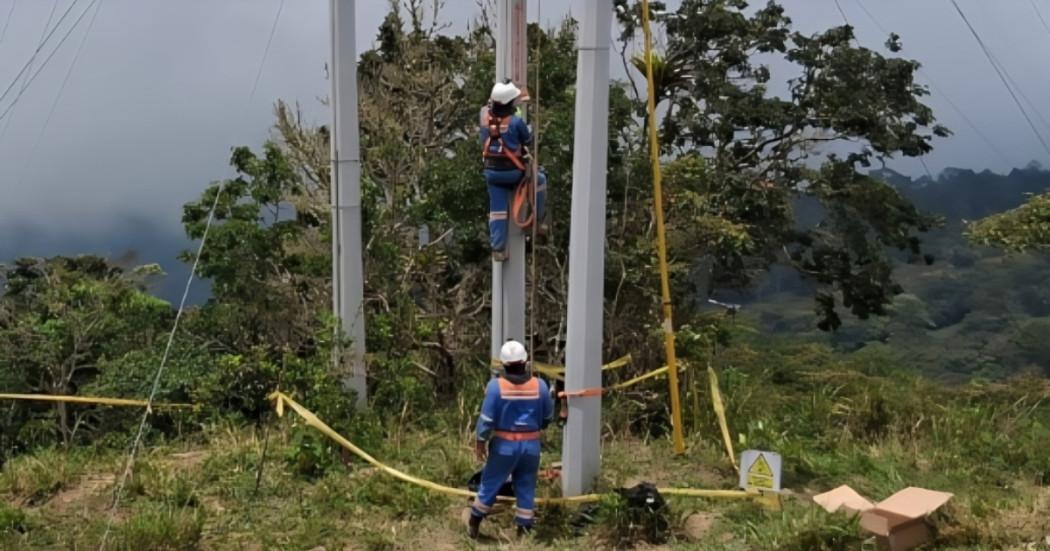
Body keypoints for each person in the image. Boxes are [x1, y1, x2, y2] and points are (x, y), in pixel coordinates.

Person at [467, 340, 554, 538]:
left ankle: (474, 521)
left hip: (504, 446)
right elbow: (548, 417)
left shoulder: (496, 387)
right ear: (526, 362)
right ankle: (523, 531)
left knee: (491, 483)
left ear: (504, 365)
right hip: (531, 446)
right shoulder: (540, 386)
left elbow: (487, 420)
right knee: (526, 485)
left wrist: (480, 442)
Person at [480, 81, 547, 262]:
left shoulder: (485, 120)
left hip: (492, 173)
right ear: (509, 103)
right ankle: (538, 221)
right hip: (513, 173)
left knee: (498, 210)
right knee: (539, 180)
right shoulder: (516, 122)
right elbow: (527, 140)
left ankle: (498, 249)